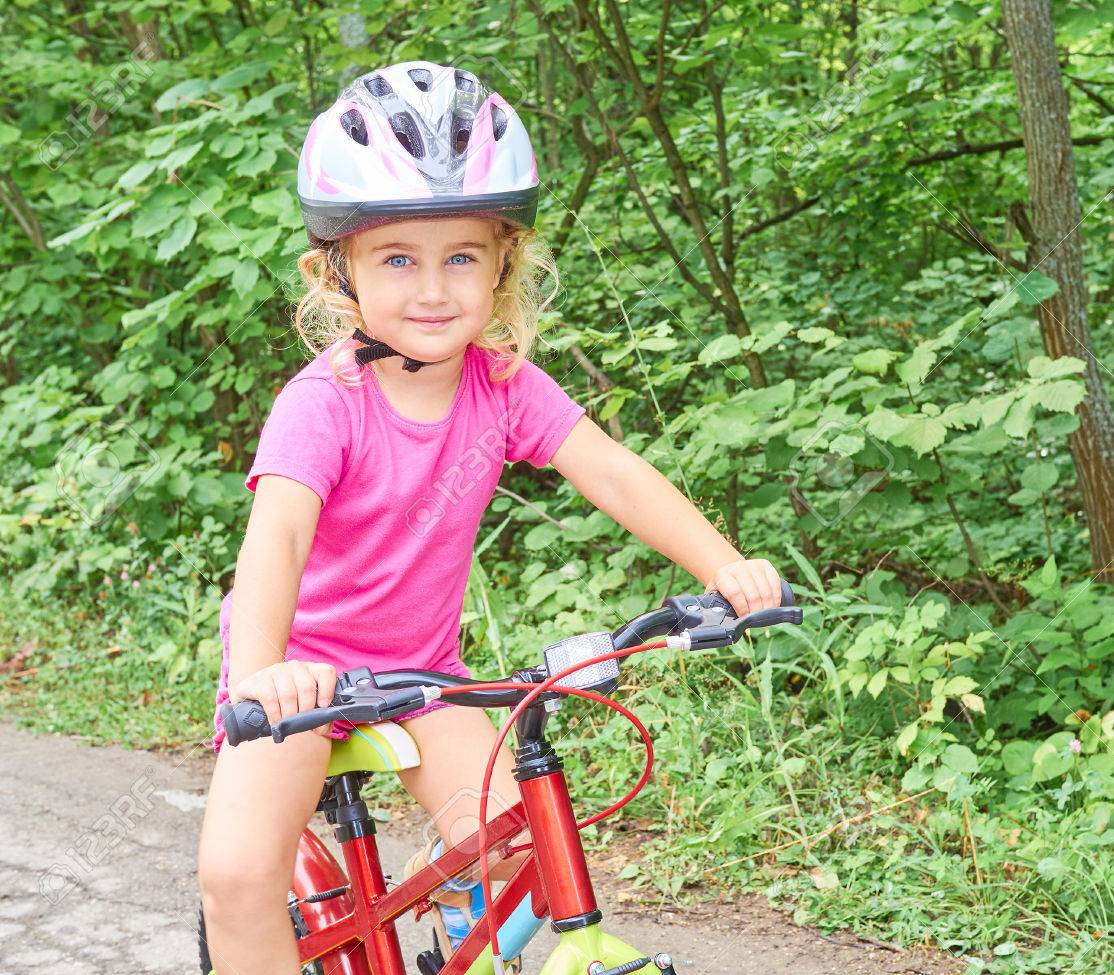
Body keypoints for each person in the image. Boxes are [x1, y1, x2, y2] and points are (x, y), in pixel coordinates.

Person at [196, 59, 786, 974]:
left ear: (502, 262)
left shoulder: (503, 386)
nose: (433, 290)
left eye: (460, 257)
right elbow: (275, 535)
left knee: (515, 838)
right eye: (398, 258)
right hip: (299, 675)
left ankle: (436, 930)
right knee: (236, 877)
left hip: (422, 671)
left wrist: (724, 567)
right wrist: (267, 673)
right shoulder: (324, 403)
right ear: (336, 269)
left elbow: (615, 473)